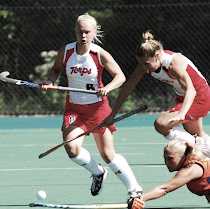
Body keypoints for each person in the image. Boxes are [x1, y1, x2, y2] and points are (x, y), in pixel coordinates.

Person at [40, 13, 142, 199]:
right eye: (80, 32)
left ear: (95, 32)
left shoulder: (99, 54)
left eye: (87, 32)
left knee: (108, 155)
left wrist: (108, 88)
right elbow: (56, 69)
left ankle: (134, 190)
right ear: (76, 32)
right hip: (74, 109)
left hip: (98, 109)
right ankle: (98, 173)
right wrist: (49, 80)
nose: (83, 36)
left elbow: (120, 77)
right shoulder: (66, 51)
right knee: (72, 148)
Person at [104, 31, 210, 163]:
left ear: (157, 56)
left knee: (161, 124)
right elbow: (128, 87)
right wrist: (112, 114)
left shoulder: (172, 64)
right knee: (197, 133)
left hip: (199, 96)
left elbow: (191, 90)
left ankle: (197, 144)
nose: (143, 67)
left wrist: (182, 113)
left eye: (146, 64)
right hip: (182, 96)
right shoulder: (146, 62)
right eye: (141, 63)